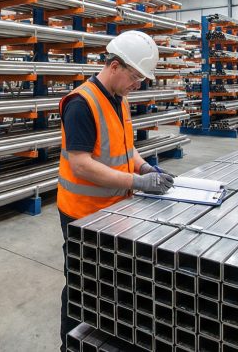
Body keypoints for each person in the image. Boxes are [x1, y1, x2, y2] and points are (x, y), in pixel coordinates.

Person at [57, 30, 175, 349]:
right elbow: (81, 165)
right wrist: (137, 182)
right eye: (135, 77)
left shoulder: (119, 100)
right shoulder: (81, 103)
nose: (137, 84)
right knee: (81, 285)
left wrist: (145, 167)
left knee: (110, 282)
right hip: (82, 215)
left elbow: (125, 148)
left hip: (113, 211)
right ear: (114, 66)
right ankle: (69, 345)